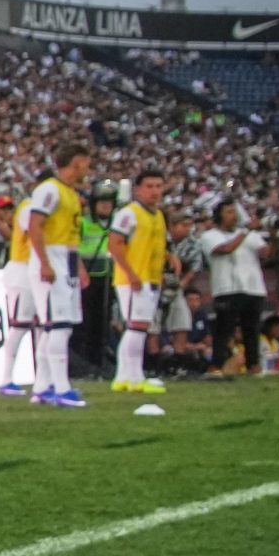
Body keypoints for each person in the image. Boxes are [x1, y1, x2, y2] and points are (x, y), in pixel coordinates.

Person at [0, 140, 89, 407]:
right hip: (33, 265)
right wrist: (46, 263)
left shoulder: (70, 193)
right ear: (75, 163)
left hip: (62, 261)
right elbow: (35, 229)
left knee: (57, 326)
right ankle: (56, 387)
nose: (88, 169)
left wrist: (78, 266)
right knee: (41, 326)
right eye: (85, 163)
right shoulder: (46, 194)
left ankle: (44, 386)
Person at [107, 169, 168, 395]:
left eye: (159, 186)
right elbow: (114, 244)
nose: (155, 191)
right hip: (134, 279)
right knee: (136, 328)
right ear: (138, 189)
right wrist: (131, 273)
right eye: (150, 186)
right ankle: (134, 377)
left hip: (150, 278)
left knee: (138, 328)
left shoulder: (158, 215)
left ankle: (124, 377)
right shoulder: (129, 213)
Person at [201, 201, 272, 374]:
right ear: (219, 215)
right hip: (227, 287)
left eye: (235, 212)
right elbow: (226, 249)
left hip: (253, 286)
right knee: (224, 329)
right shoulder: (210, 235)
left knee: (252, 328)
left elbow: (266, 254)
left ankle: (253, 364)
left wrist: (274, 234)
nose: (234, 216)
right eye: (229, 212)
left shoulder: (250, 235)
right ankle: (217, 365)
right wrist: (246, 231)